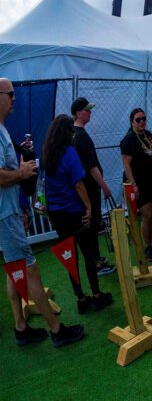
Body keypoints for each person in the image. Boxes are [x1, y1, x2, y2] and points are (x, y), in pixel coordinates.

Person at [0, 78, 86, 348]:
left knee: (14, 268)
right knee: (30, 270)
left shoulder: (2, 129)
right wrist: (21, 173)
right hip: (4, 215)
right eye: (10, 94)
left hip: (10, 211)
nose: (14, 98)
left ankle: (21, 327)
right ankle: (57, 330)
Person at [40, 114, 113, 314]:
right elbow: (79, 184)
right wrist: (89, 208)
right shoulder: (69, 153)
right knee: (88, 253)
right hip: (74, 212)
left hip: (57, 214)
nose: (73, 134)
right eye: (71, 131)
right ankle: (97, 295)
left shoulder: (47, 154)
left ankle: (81, 298)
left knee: (69, 256)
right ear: (66, 132)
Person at [71, 97, 116, 276]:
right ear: (77, 113)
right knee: (92, 225)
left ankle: (95, 259)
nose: (90, 112)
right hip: (89, 189)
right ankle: (96, 263)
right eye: (87, 110)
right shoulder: (81, 136)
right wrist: (104, 186)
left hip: (85, 189)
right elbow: (91, 167)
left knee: (92, 225)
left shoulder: (75, 133)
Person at [120, 108, 152, 262]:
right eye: (138, 119)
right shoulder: (129, 140)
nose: (142, 122)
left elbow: (150, 153)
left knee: (150, 214)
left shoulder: (148, 135)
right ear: (132, 122)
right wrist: (134, 185)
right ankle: (147, 248)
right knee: (147, 215)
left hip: (151, 179)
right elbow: (126, 164)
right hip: (139, 182)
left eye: (144, 118)